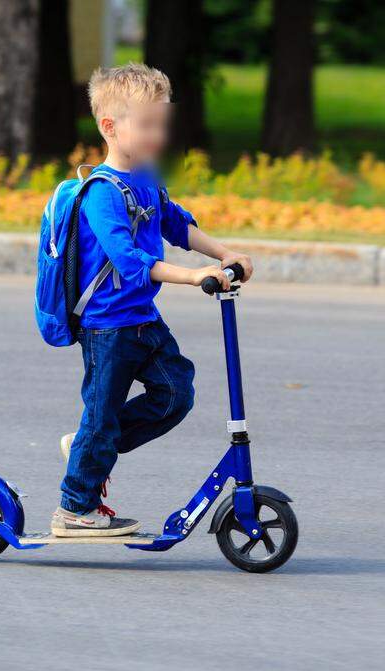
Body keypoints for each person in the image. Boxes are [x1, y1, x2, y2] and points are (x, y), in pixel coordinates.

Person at [50, 63, 253, 537]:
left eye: (162, 123)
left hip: (142, 318)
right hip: (108, 327)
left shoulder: (145, 177)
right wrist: (194, 276)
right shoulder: (100, 193)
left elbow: (175, 223)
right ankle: (73, 510)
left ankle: (87, 448)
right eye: (147, 124)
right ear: (110, 126)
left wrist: (226, 254)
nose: (159, 134)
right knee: (101, 416)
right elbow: (130, 260)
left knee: (175, 394)